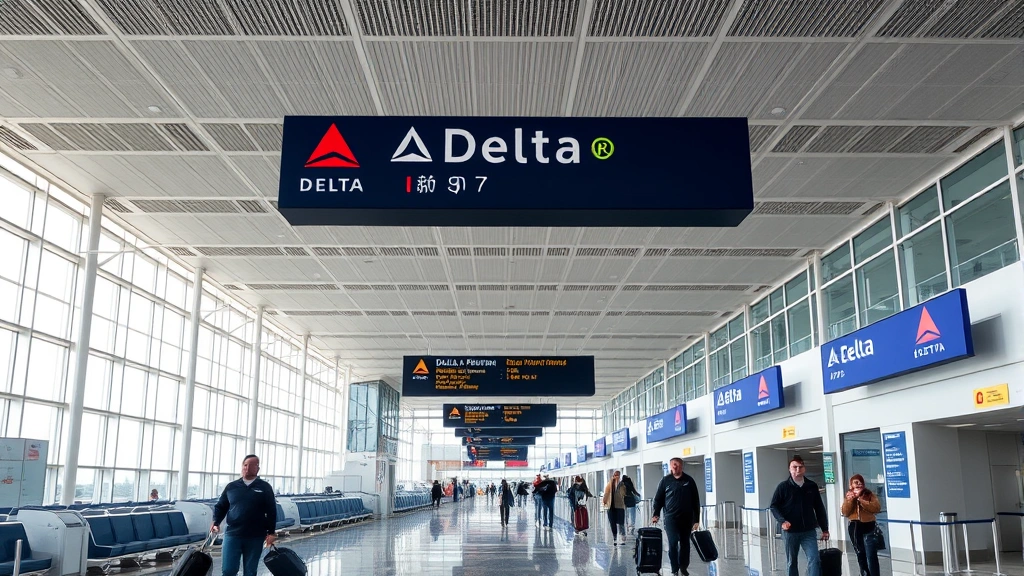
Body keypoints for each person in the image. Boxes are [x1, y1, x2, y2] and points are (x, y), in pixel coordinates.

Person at [211, 455, 277, 576]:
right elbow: (221, 506)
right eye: (245, 465)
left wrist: (271, 532)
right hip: (232, 534)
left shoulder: (265, 487)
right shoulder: (231, 487)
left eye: (251, 465)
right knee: (228, 570)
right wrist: (216, 522)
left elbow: (271, 511)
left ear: (257, 468)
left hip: (255, 536)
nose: (247, 468)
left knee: (250, 571)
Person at [770, 455, 830, 576]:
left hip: (808, 531)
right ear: (789, 469)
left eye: (800, 467)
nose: (798, 469)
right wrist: (782, 521)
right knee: (792, 562)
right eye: (794, 467)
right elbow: (774, 506)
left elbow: (819, 508)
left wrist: (825, 529)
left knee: (814, 559)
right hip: (790, 532)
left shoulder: (811, 486)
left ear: (804, 469)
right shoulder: (783, 487)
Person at [651, 458, 702, 576]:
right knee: (673, 543)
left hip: (686, 518)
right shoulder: (665, 481)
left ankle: (683, 567)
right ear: (670, 466)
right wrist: (656, 514)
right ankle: (674, 568)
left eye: (677, 465)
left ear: (681, 466)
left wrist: (696, 520)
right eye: (673, 465)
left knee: (685, 543)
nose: (675, 467)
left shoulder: (689, 480)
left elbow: (695, 501)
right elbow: (658, 499)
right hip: (671, 519)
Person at [842, 474, 882, 576]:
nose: (859, 484)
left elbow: (876, 508)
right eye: (856, 482)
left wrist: (861, 499)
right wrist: (851, 500)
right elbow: (845, 512)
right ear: (851, 485)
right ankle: (864, 573)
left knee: (871, 554)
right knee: (860, 553)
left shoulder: (869, 494)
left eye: (861, 482)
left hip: (869, 526)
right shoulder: (849, 496)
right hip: (855, 527)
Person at [602, 470, 628, 545]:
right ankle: (615, 537)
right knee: (612, 523)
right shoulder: (609, 484)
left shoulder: (622, 485)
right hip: (610, 507)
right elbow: (606, 493)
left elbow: (623, 493)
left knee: (621, 522)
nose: (616, 477)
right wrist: (604, 501)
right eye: (615, 475)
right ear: (613, 476)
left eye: (618, 475)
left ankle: (622, 536)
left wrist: (620, 484)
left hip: (619, 506)